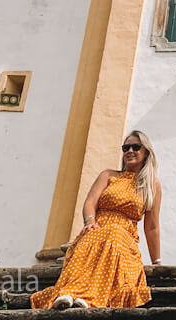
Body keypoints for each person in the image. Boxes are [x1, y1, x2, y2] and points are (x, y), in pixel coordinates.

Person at [31, 130, 162, 309]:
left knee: (113, 234)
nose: (129, 151)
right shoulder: (108, 175)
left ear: (146, 151)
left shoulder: (152, 185)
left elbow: (152, 227)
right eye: (126, 147)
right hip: (98, 228)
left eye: (135, 147)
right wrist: (90, 222)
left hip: (124, 237)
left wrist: (157, 262)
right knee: (96, 236)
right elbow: (90, 202)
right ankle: (69, 294)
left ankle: (89, 299)